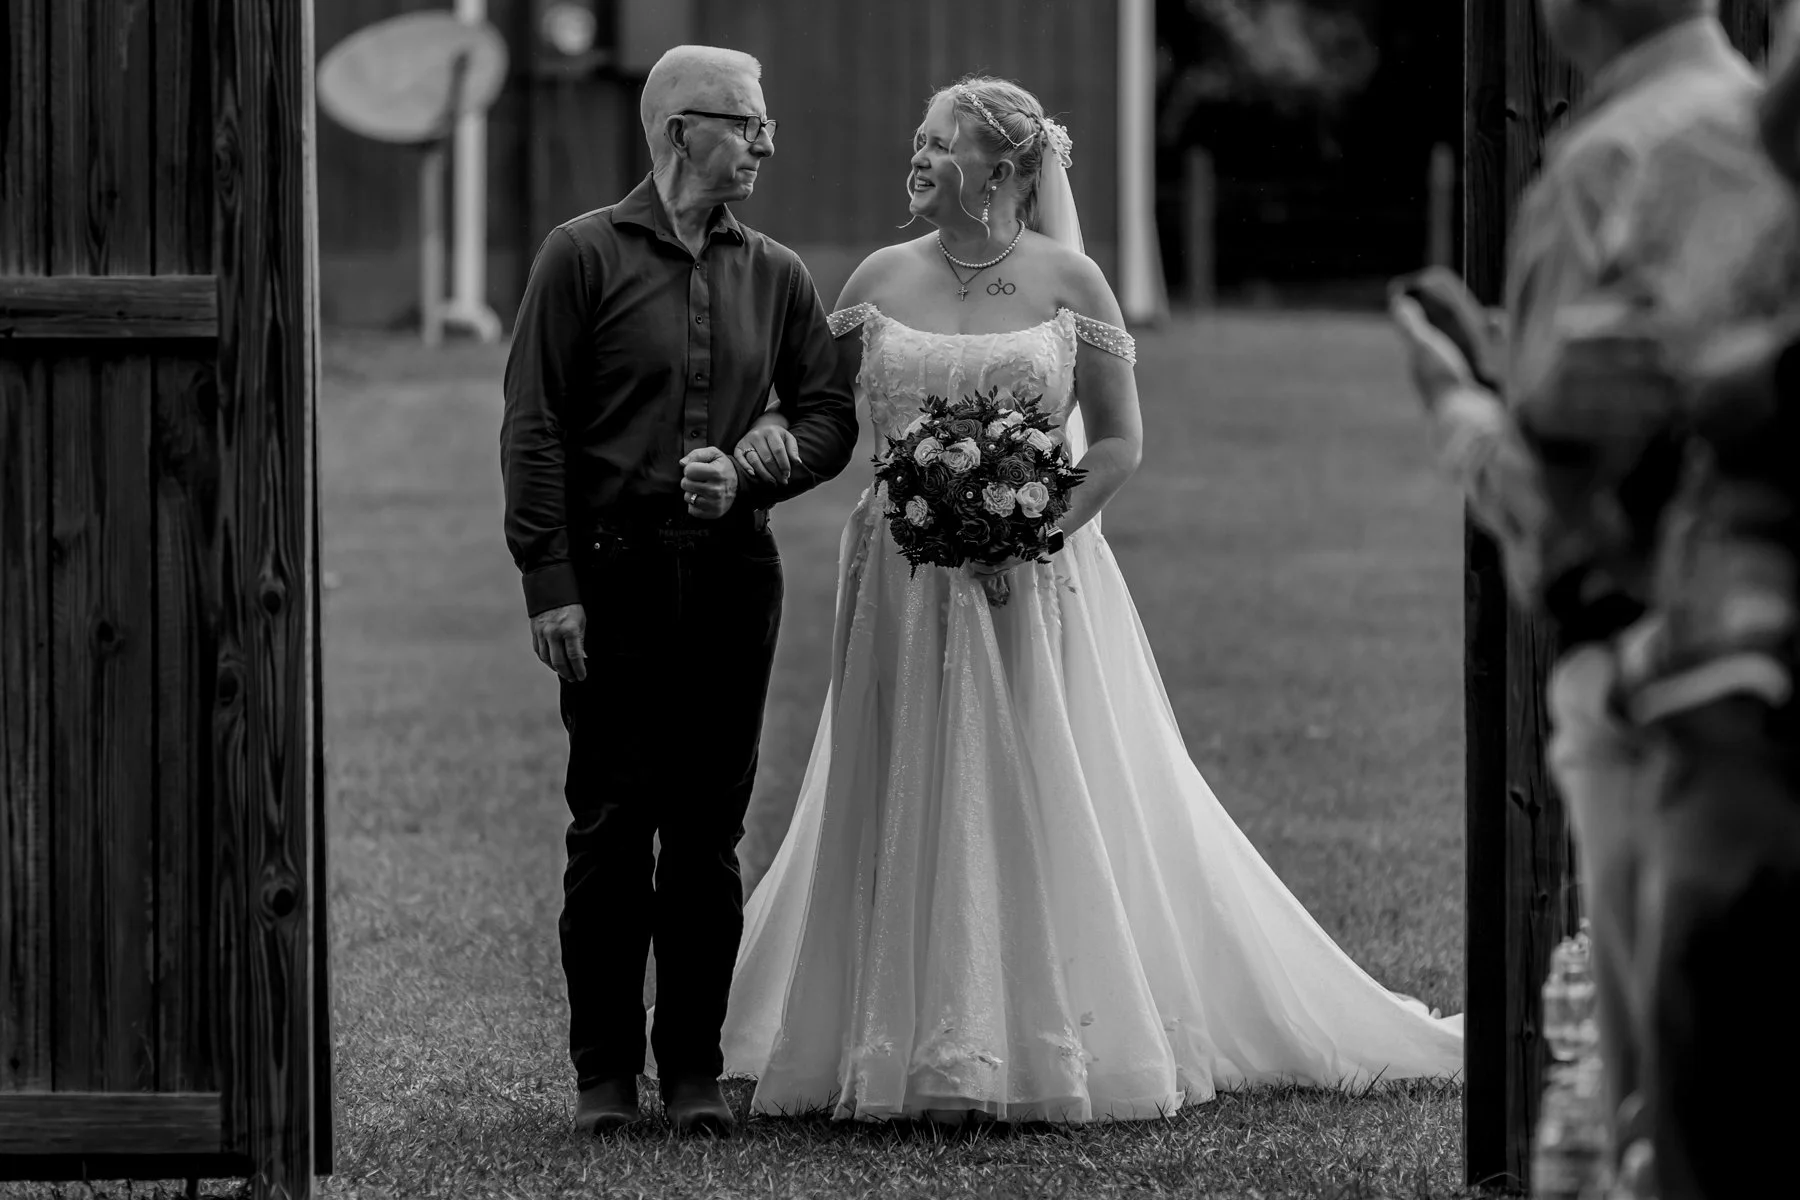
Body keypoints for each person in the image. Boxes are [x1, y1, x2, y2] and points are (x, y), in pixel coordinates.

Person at [713, 75, 1461, 1125]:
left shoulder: (1075, 284)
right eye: (916, 141)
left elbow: (1116, 442)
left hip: (1031, 580)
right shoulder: (879, 277)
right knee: (901, 773)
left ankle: (1035, 1028)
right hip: (896, 579)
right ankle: (891, 1028)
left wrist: (1029, 526)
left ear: (1006, 169)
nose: (917, 159)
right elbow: (825, 419)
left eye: (940, 144)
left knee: (1029, 778)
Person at [1388, 0, 1800, 1180]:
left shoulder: (1619, 164)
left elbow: (1578, 503)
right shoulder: (1737, 129)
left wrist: (1460, 409)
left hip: (1681, 713)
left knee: (1668, 1117)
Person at [499, 45, 858, 1137]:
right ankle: (604, 1075)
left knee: (707, 831)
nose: (762, 143)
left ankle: (694, 1068)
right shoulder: (579, 257)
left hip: (734, 577)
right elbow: (535, 426)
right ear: (677, 130)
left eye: (764, 127)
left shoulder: (781, 274)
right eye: (745, 124)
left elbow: (828, 416)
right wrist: (549, 583)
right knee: (610, 825)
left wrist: (752, 466)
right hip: (608, 577)